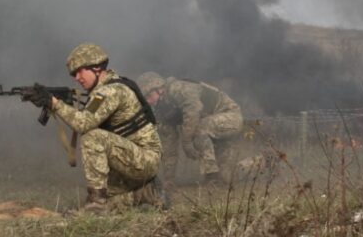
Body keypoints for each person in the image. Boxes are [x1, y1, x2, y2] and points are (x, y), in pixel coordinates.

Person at [25, 43, 164, 212]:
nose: (76, 78)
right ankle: (145, 193)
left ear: (96, 68)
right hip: (133, 159)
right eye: (73, 74)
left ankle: (97, 203)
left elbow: (83, 123)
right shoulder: (106, 90)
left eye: (80, 71)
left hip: (145, 159)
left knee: (92, 136)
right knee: (111, 204)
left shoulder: (111, 91)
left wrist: (53, 103)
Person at [136, 71, 243, 185]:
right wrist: (169, 180)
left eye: (148, 96)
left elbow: (193, 112)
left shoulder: (178, 88)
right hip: (214, 132)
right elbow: (169, 146)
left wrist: (186, 142)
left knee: (197, 128)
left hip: (230, 116)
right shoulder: (162, 112)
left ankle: (211, 176)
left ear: (158, 88)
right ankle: (261, 161)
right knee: (228, 176)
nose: (148, 101)